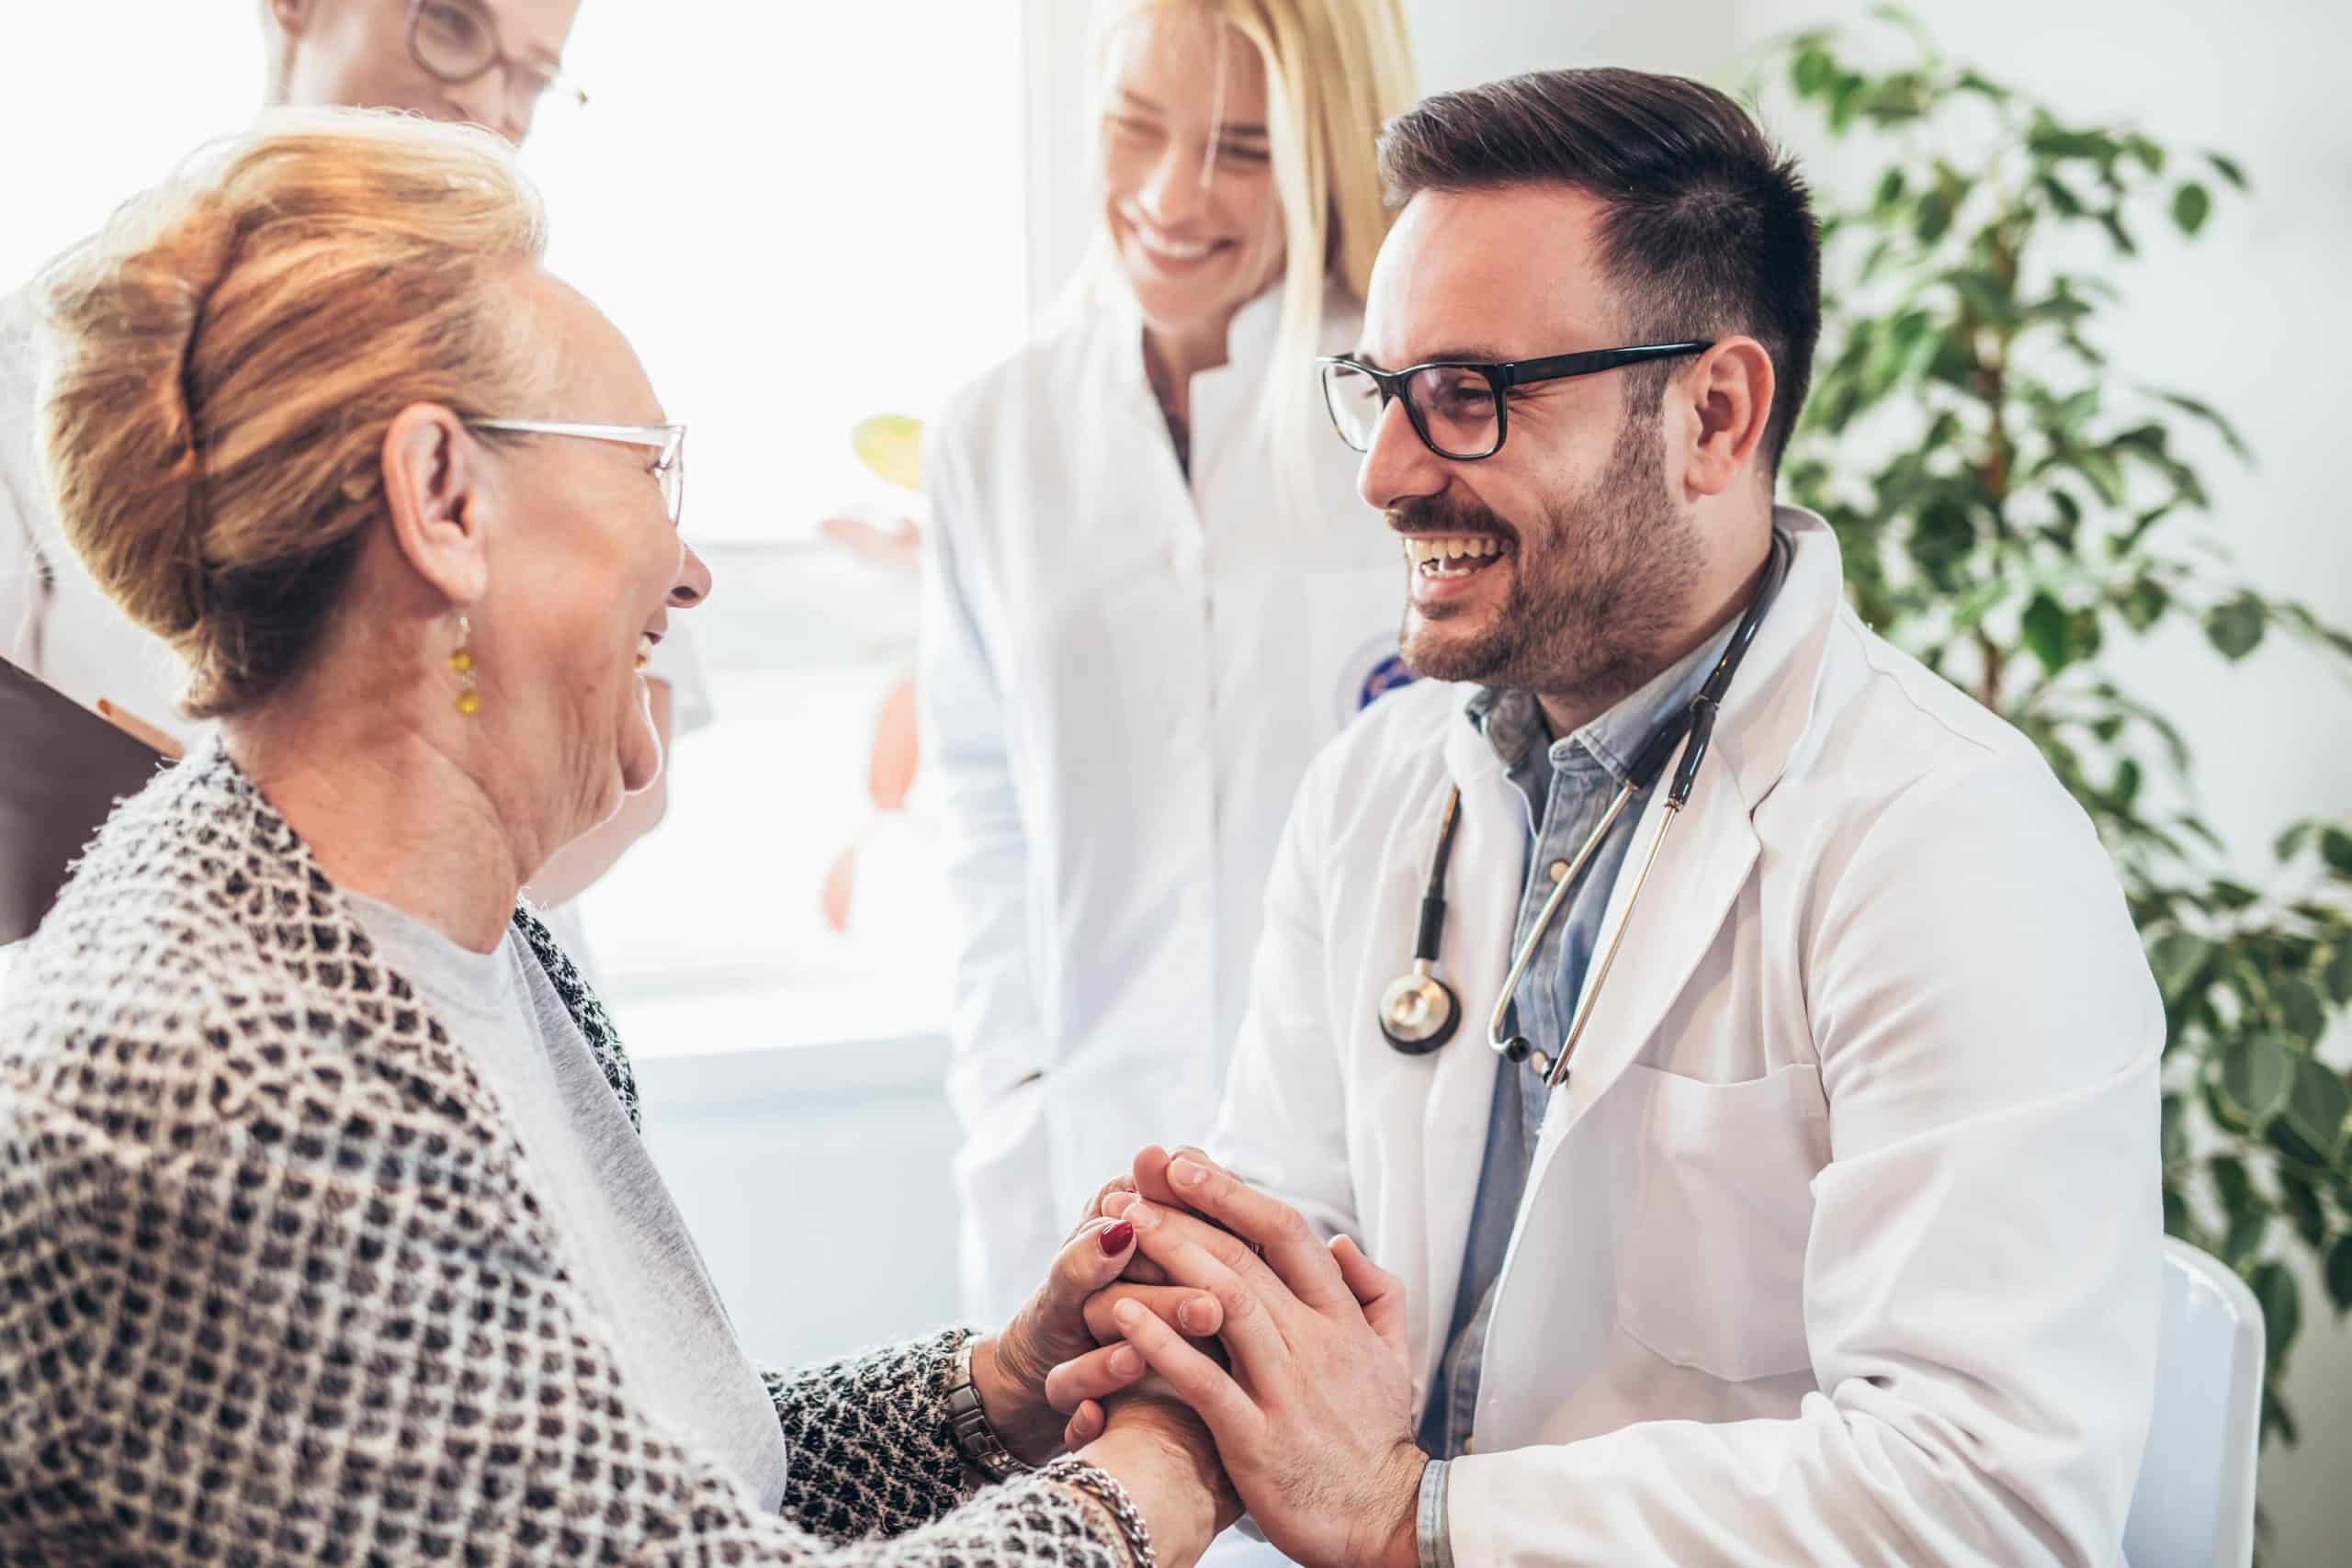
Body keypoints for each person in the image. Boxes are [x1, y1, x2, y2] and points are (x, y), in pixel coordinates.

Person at [0, 110, 1250, 1566]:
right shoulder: (240, 1093)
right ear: (444, 500)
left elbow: (643, 1489)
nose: (693, 565)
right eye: (651, 468)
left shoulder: (464, 946)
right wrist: (1156, 1473)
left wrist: (1002, 1390)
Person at [1052, 69, 2165, 1567]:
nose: (1385, 472)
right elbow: (1291, 1236)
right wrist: (1189, 1336)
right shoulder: (1378, 791)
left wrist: (1414, 1519)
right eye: (1380, 391)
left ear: (1714, 412)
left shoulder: (1950, 847)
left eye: (1471, 395)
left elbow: (1983, 1502)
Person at [0, 0, 711, 965]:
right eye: (452, 26)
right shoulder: (53, 367)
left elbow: (629, 753)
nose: (488, 102)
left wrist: (426, 914)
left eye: (534, 76)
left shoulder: (564, 363)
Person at [920, 0, 1418, 1331]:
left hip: (1370, 1191)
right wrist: (1011, 1100)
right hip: (1080, 1165)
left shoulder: (1420, 417)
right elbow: (982, 822)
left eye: (1244, 150)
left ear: (1328, 151)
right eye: (1135, 127)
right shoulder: (996, 437)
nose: (1169, 194)